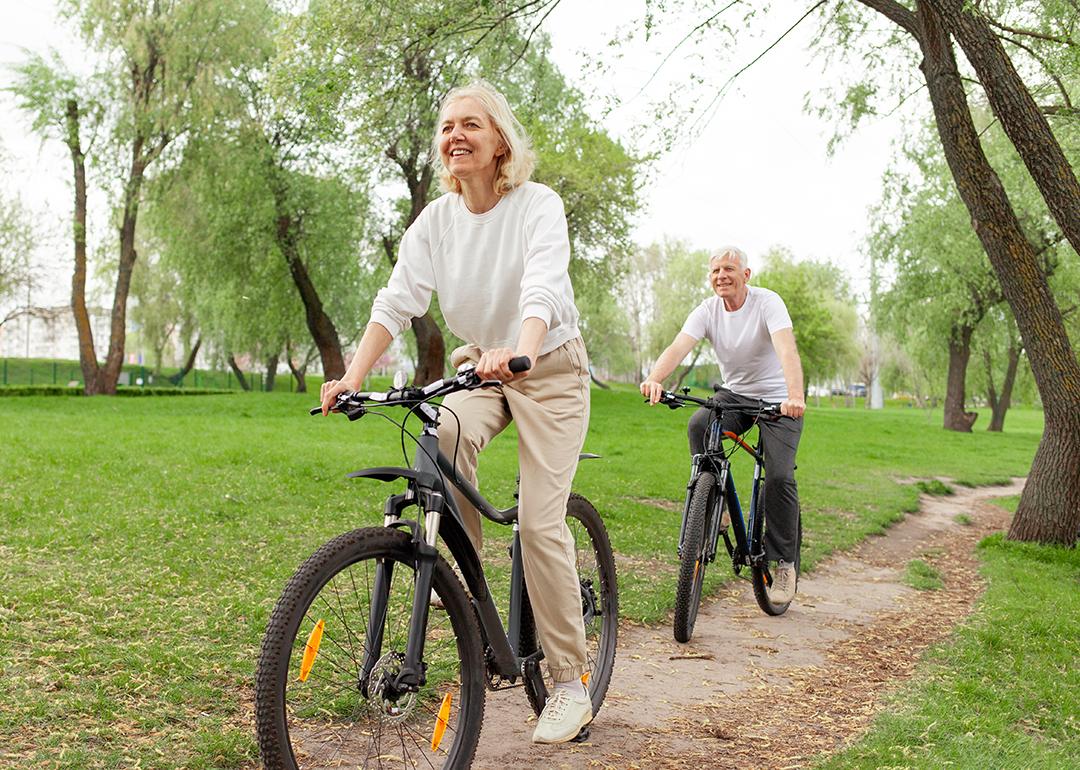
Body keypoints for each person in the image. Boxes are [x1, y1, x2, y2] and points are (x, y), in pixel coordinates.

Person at [320, 81, 593, 744]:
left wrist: (522, 352)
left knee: (537, 520)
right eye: (446, 127)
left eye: (470, 124)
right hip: (481, 368)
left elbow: (544, 287)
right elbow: (396, 301)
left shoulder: (536, 206)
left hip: (547, 370)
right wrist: (352, 376)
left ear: (500, 140)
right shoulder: (437, 222)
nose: (455, 136)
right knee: (439, 436)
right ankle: (475, 609)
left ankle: (568, 682)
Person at [640, 246, 806, 604]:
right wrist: (655, 378)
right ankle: (720, 506)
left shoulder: (767, 303)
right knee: (699, 425)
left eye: (729, 269)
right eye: (715, 270)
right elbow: (678, 346)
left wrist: (794, 395)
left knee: (778, 476)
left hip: (778, 400)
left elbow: (787, 350)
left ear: (746, 275)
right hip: (736, 395)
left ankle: (784, 564)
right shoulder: (708, 310)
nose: (721, 276)